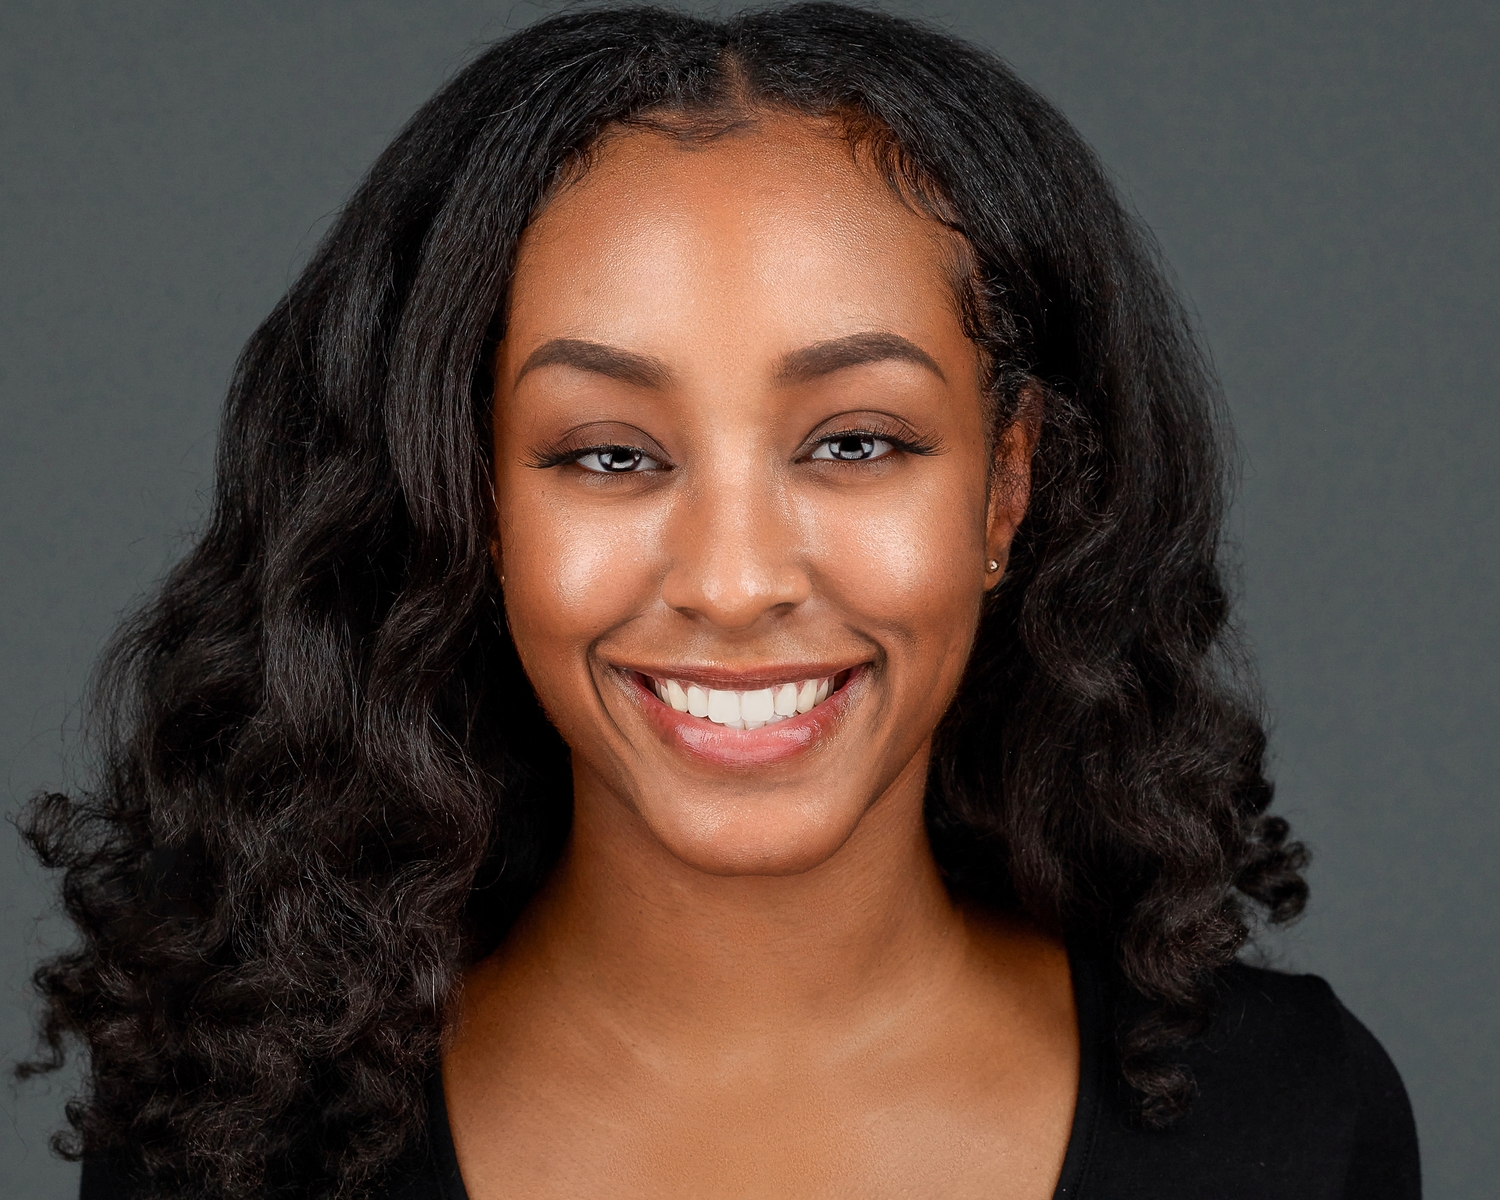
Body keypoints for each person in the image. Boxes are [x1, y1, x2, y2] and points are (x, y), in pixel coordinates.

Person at [22, 4, 1418, 1198]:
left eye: (856, 442)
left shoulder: (1296, 1125)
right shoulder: (229, 1138)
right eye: (609, 455)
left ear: (1007, 487)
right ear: (473, 504)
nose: (736, 583)